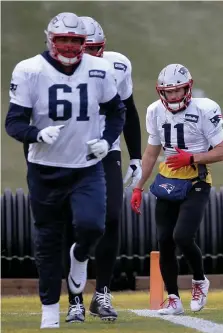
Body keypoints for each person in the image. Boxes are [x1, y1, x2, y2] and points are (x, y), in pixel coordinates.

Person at [5, 12, 126, 329]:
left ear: (85, 44)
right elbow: (14, 122)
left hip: (86, 166)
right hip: (45, 168)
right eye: (64, 40)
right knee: (48, 238)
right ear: (50, 39)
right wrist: (36, 134)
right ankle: (49, 311)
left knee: (93, 227)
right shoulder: (30, 70)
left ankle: (81, 257)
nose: (70, 46)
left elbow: (117, 112)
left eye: (76, 40)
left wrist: (107, 140)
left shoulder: (99, 69)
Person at [64, 16, 142, 323]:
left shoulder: (117, 65)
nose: (90, 56)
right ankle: (74, 300)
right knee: (77, 224)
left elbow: (128, 108)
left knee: (111, 217)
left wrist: (135, 156)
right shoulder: (53, 71)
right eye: (85, 49)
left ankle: (102, 293)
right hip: (70, 153)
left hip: (106, 150)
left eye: (95, 49)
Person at [131, 63, 223, 315]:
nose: (172, 96)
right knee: (165, 242)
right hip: (167, 180)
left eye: (177, 91)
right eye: (168, 92)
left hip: (196, 180)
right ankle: (173, 298)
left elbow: (222, 149)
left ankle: (199, 280)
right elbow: (151, 153)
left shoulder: (206, 109)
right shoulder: (154, 111)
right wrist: (138, 187)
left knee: (182, 236)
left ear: (188, 88)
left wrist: (192, 158)